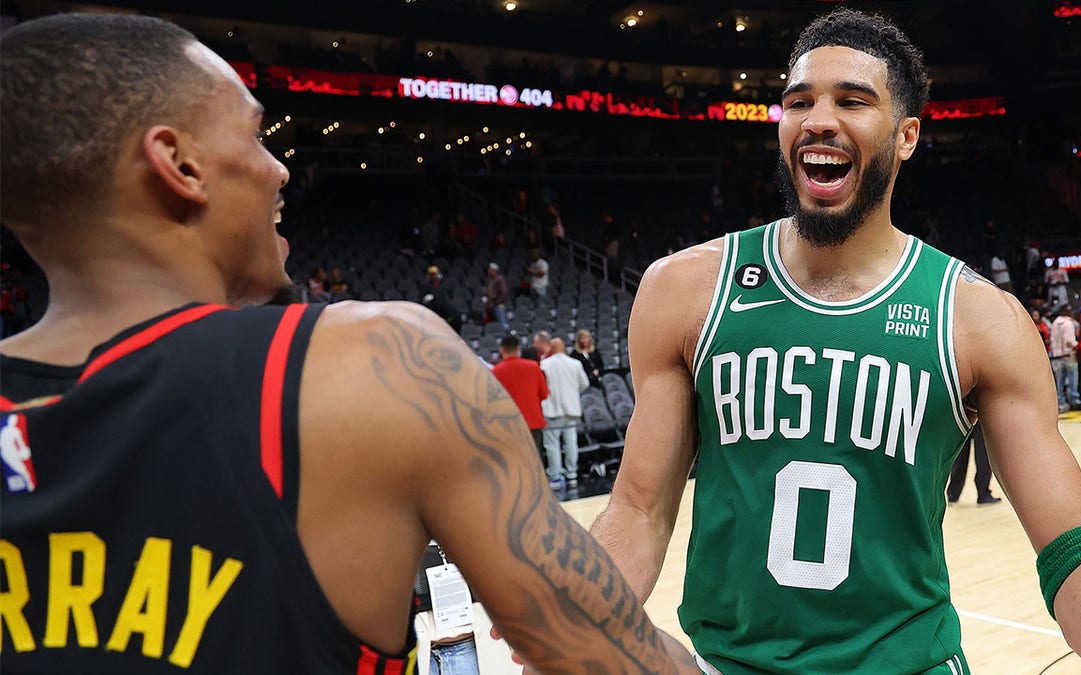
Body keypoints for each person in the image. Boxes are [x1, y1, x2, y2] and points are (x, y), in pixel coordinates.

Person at [0, 13, 701, 674]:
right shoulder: (379, 364)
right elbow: (611, 656)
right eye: (254, 135)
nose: (280, 170)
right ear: (178, 163)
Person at [588, 9, 1081, 674]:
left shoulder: (976, 317)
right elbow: (638, 512)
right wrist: (565, 631)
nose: (818, 118)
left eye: (852, 101)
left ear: (907, 135)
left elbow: (1070, 538)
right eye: (799, 101)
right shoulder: (685, 290)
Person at [491, 335, 549, 473]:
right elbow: (544, 394)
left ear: (502, 349)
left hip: (509, 425)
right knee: (535, 461)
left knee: (514, 462)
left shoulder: (495, 372)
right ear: (518, 348)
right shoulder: (533, 366)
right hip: (534, 422)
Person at [540, 338, 590, 490]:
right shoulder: (575, 363)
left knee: (552, 444)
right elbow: (585, 384)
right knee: (570, 443)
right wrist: (573, 394)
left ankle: (555, 476)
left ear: (551, 348)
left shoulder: (544, 364)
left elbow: (541, 387)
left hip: (552, 410)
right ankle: (572, 475)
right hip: (571, 409)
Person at [946, 426, 1000, 505]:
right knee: (983, 451)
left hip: (964, 416)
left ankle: (953, 494)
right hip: (980, 418)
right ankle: (983, 494)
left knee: (961, 451)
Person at [1050, 304, 1081, 413]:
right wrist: (1078, 344)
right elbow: (1069, 342)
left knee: (1059, 381)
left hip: (1057, 356)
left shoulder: (1054, 323)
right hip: (1069, 355)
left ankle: (1061, 402)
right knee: (1072, 380)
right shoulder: (1069, 324)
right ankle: (1074, 400)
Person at [484, 262, 509, 330]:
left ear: (494, 270)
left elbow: (504, 292)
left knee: (502, 324)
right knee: (494, 325)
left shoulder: (499, 279)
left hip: (498, 306)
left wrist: (497, 302)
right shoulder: (491, 279)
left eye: (490, 270)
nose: (488, 271)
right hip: (492, 305)